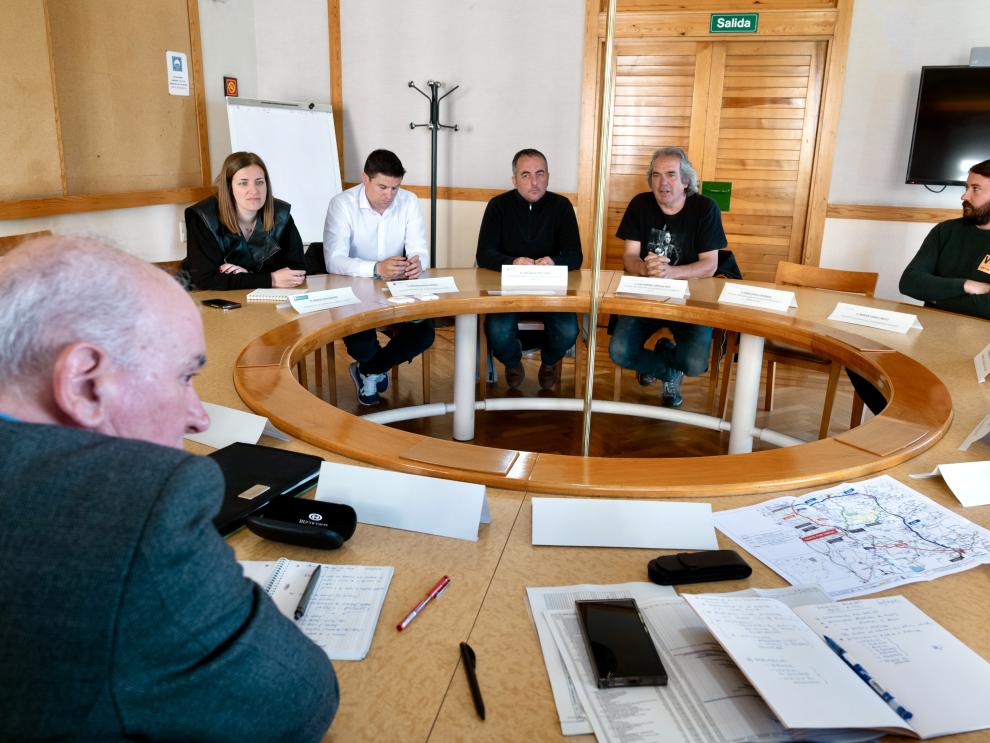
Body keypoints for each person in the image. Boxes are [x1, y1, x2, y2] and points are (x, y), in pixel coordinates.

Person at [0, 236, 338, 741]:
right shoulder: (131, 509)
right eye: (184, 376)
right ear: (84, 383)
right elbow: (298, 699)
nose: (199, 418)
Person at [608, 147, 727, 407]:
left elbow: (709, 265)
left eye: (671, 175)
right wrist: (644, 268)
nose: (663, 183)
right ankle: (668, 371)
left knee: (695, 365)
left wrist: (671, 272)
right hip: (644, 298)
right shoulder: (640, 204)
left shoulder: (705, 208)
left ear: (686, 181)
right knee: (619, 351)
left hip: (691, 301)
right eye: (657, 175)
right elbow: (629, 257)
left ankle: (668, 360)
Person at [323, 149, 434, 405]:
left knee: (424, 334)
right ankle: (372, 367)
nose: (389, 196)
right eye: (382, 187)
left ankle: (368, 370)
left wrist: (418, 263)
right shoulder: (342, 204)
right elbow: (333, 260)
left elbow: (419, 249)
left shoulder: (409, 201)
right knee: (362, 345)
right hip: (353, 290)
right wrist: (375, 268)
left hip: (397, 289)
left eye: (395, 188)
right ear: (365, 179)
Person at [476, 148, 583, 390]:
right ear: (514, 180)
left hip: (553, 291)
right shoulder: (498, 206)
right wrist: (512, 262)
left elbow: (576, 256)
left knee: (568, 330)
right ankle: (513, 363)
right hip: (508, 291)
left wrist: (554, 261)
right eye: (525, 175)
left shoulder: (562, 206)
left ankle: (549, 362)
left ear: (548, 176)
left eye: (540, 174)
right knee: (497, 330)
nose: (534, 182)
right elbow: (484, 254)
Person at [182, 151, 307, 291]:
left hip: (265, 301)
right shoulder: (203, 217)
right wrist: (270, 279)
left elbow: (297, 270)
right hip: (207, 301)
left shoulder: (281, 214)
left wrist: (249, 276)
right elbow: (205, 279)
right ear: (229, 188)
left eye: (259, 182)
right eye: (243, 183)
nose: (254, 191)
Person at [900, 158, 990, 319]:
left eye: (975, 189)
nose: (964, 196)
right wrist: (967, 286)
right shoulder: (945, 230)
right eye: (966, 187)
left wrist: (936, 297)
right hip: (931, 329)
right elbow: (909, 283)